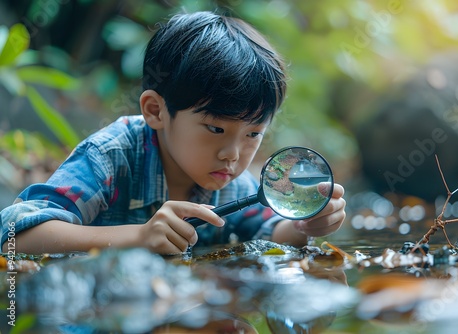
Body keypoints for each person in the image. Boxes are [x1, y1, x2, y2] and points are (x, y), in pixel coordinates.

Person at [1, 11, 346, 254]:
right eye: (215, 128)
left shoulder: (230, 183)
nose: (233, 154)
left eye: (253, 134)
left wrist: (305, 227)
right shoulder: (111, 156)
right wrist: (138, 236)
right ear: (156, 111)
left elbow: (269, 232)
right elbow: (14, 236)